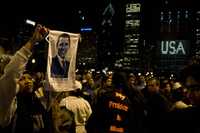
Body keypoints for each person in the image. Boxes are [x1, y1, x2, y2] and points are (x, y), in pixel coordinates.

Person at [0, 24, 48, 130]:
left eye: (29, 78)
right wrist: (32, 42)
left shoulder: (36, 99)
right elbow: (12, 73)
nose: (27, 81)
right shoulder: (7, 93)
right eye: (21, 78)